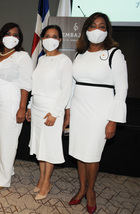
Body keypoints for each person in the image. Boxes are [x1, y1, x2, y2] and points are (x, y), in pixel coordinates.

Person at [64, 12, 128, 213]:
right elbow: (72, 84)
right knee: (79, 152)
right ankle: (82, 188)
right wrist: (68, 111)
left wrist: (113, 120)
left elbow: (122, 88)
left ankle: (90, 190)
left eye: (102, 26)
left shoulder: (114, 54)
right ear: (86, 30)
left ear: (107, 31)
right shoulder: (79, 54)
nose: (97, 30)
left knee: (92, 153)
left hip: (101, 111)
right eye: (93, 26)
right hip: (79, 107)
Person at [26, 25, 72, 200]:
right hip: (37, 108)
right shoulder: (42, 59)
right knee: (40, 146)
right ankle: (42, 178)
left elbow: (66, 89)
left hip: (52, 110)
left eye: (54, 36)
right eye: (47, 36)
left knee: (50, 147)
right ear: (42, 39)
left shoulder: (64, 61)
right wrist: (30, 105)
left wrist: (55, 113)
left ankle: (46, 182)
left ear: (60, 40)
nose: (50, 39)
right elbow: (35, 86)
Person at [0, 22, 33, 190]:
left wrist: (22, 107)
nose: (11, 37)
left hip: (12, 100)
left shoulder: (22, 56)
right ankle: (4, 170)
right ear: (1, 36)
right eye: (8, 33)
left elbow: (26, 84)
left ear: (19, 39)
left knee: (8, 139)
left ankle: (4, 179)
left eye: (16, 35)